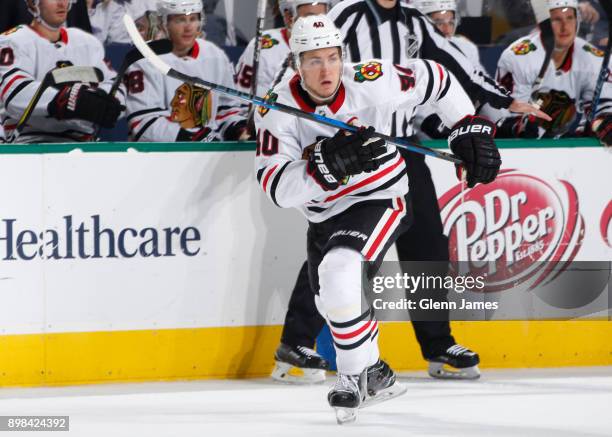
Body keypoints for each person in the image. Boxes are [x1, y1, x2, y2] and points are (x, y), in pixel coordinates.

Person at [272, 0, 547, 382]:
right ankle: (297, 339)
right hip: (350, 149)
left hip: (402, 145)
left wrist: (487, 109)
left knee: (427, 243)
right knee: (339, 249)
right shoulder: (347, 15)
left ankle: (437, 343)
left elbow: (450, 64)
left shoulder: (413, 19)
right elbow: (303, 63)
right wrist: (276, 113)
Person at [254, 13, 501, 422]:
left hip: (380, 196)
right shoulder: (276, 110)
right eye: (314, 60)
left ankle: (352, 377)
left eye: (332, 57)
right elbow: (277, 187)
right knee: (334, 296)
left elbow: (435, 78)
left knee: (341, 266)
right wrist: (323, 169)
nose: (326, 69)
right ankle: (375, 372)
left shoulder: (371, 80)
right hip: (323, 212)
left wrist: (466, 128)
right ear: (297, 64)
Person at [235, 0, 335, 385]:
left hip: (342, 157)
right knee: (335, 247)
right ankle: (299, 342)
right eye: (305, 11)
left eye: (319, 9)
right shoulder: (270, 47)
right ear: (289, 15)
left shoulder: (330, 43)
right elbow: (249, 108)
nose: (314, 17)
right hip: (303, 166)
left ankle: (312, 342)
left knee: (342, 250)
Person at [483, 0, 611, 144]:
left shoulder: (593, 59)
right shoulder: (517, 57)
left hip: (570, 146)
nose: (565, 26)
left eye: (570, 18)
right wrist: (523, 125)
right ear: (543, 23)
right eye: (557, 19)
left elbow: (602, 109)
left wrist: (601, 122)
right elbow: (504, 119)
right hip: (522, 148)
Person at [125, 0, 250, 142]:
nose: (189, 27)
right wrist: (196, 139)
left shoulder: (215, 55)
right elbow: (143, 123)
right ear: (163, 23)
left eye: (193, 19)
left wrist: (239, 129)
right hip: (156, 157)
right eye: (180, 20)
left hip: (208, 155)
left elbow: (226, 111)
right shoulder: (144, 58)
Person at [0, 0, 123, 143]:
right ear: (33, 4)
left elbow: (114, 85)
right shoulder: (12, 41)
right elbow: (15, 92)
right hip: (27, 142)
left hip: (84, 144)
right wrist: (64, 99)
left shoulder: (88, 42)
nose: (62, 3)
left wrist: (105, 100)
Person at [412, 0, 483, 140]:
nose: (447, 29)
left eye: (450, 22)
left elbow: (480, 87)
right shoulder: (410, 52)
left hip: (461, 119)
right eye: (439, 23)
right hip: (421, 132)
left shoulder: (466, 48)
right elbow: (417, 107)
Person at [235, 0, 331, 98]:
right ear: (289, 17)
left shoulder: (335, 50)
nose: (319, 26)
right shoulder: (262, 48)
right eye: (311, 19)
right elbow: (240, 105)